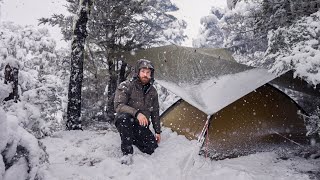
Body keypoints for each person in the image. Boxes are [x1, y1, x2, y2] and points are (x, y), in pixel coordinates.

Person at [114, 59, 161, 165]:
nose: (145, 75)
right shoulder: (126, 85)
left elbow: (155, 112)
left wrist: (158, 131)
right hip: (126, 120)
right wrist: (137, 113)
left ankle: (132, 137)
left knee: (152, 148)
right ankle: (127, 153)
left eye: (148, 72)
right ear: (138, 72)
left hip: (140, 125)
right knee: (124, 118)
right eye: (143, 71)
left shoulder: (153, 91)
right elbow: (118, 106)